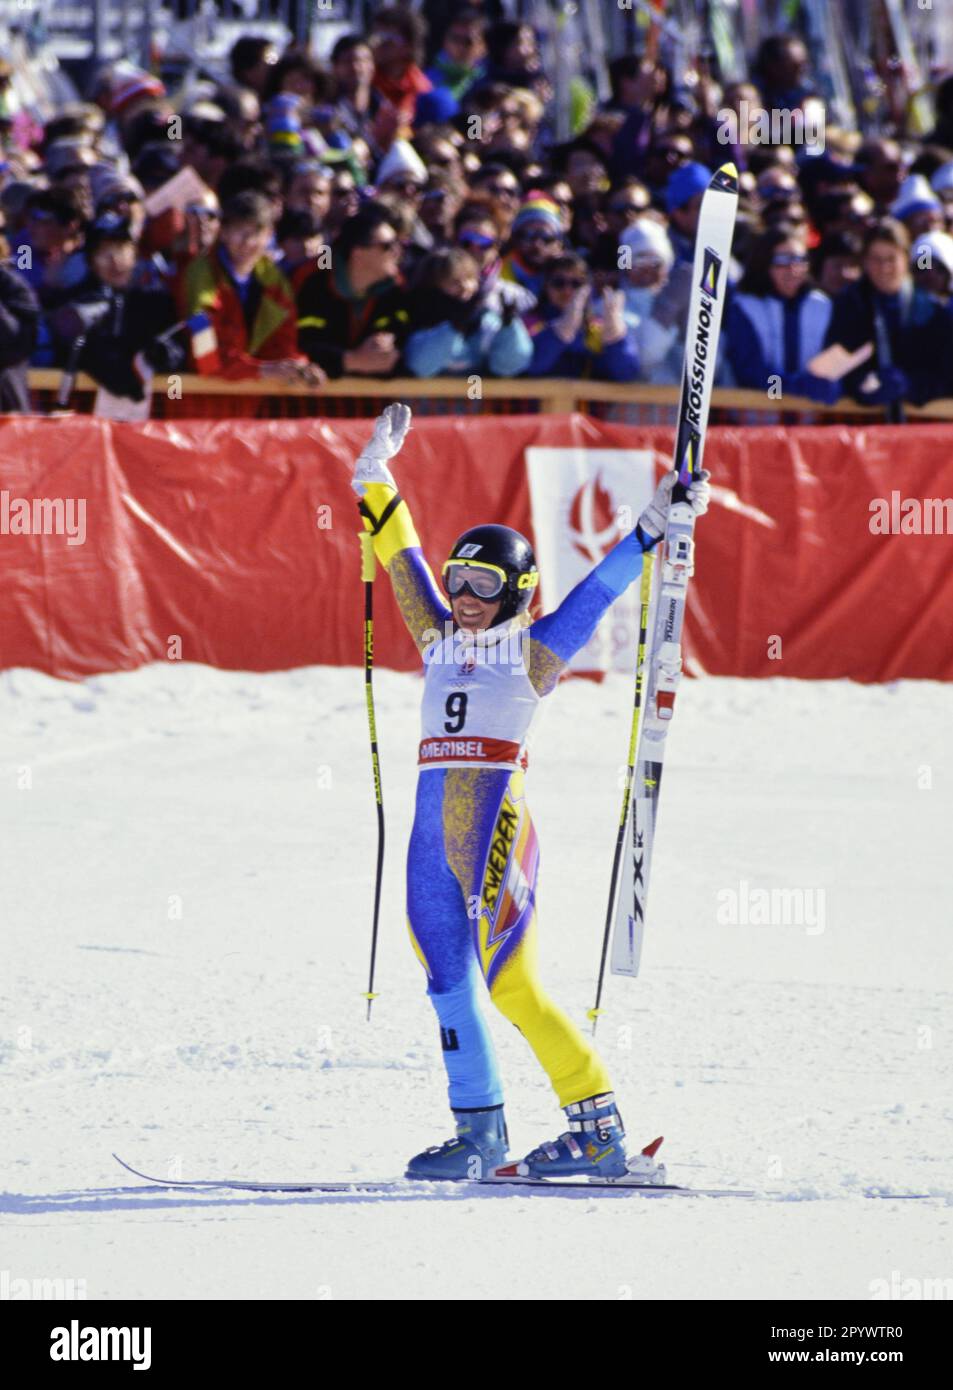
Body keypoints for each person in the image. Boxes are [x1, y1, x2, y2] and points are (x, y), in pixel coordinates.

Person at [351, 403, 711, 1180]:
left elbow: (598, 592)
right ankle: (478, 1133)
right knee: (445, 980)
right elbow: (399, 556)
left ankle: (600, 1128)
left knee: (513, 984)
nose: (464, 592)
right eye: (458, 579)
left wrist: (654, 527)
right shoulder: (438, 636)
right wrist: (374, 477)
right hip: (427, 841)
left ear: (516, 590)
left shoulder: (533, 652)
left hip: (491, 829)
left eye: (482, 582)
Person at [185, 190, 324, 385]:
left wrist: (299, 367)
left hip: (251, 402)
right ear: (223, 232)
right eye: (240, 232)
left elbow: (283, 344)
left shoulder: (275, 282)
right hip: (199, 401)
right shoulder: (200, 274)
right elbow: (205, 355)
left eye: (257, 233)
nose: (248, 242)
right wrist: (263, 370)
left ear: (269, 235)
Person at [824, 217, 953, 407]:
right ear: (865, 261)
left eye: (891, 258)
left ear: (906, 259)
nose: (884, 268)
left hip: (919, 424)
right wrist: (864, 384)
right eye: (876, 259)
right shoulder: (848, 306)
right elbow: (836, 364)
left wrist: (910, 386)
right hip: (862, 423)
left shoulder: (933, 311)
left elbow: (945, 376)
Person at [724, 223, 838, 404]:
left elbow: (836, 362)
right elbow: (749, 374)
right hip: (756, 420)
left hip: (810, 422)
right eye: (782, 261)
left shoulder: (823, 306)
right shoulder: (745, 307)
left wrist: (831, 385)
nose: (793, 269)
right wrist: (793, 387)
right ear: (765, 263)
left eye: (800, 260)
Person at [296, 201, 410, 378]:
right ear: (358, 252)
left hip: (371, 403)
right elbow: (300, 345)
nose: (398, 251)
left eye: (399, 244)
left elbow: (405, 347)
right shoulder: (314, 286)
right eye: (387, 246)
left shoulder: (396, 291)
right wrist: (351, 360)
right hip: (307, 401)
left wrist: (390, 347)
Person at [403, 246, 531, 377]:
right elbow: (420, 366)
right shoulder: (418, 319)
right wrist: (454, 327)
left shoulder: (486, 319)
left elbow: (511, 366)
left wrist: (510, 326)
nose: (465, 286)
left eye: (469, 278)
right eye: (455, 281)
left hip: (479, 395)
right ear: (433, 284)